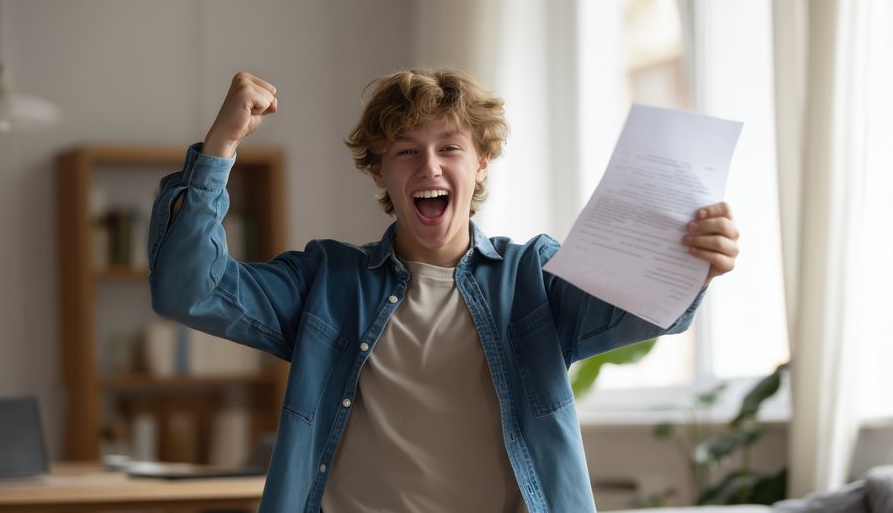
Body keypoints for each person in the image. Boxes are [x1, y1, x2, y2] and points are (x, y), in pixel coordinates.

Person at [149, 69, 739, 513]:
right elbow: (189, 288)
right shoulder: (326, 280)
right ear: (379, 172)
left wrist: (694, 259)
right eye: (406, 151)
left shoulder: (534, 275)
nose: (428, 166)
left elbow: (640, 307)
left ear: (481, 164)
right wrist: (221, 146)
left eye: (450, 148)